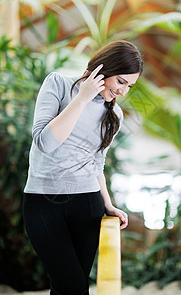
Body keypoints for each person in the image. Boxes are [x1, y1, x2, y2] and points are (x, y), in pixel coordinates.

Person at [22, 40, 143, 295]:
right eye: (121, 81)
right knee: (72, 286)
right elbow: (45, 142)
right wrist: (83, 97)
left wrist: (108, 205)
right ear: (103, 69)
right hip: (42, 202)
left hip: (87, 204)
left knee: (67, 288)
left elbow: (97, 163)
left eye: (129, 86)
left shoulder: (115, 115)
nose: (123, 91)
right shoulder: (57, 84)